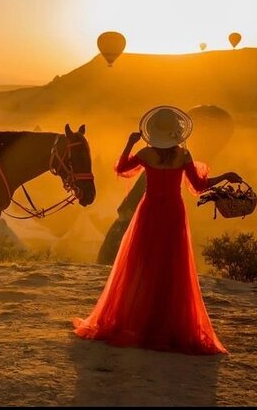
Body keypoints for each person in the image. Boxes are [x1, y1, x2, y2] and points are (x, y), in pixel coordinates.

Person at [73, 106, 242, 355]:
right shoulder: (183, 156)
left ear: (153, 133)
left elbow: (121, 169)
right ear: (176, 133)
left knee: (142, 265)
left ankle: (137, 320)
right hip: (173, 212)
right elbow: (199, 185)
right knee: (172, 267)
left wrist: (129, 143)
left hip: (150, 212)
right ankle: (167, 324)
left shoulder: (146, 154)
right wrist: (226, 176)